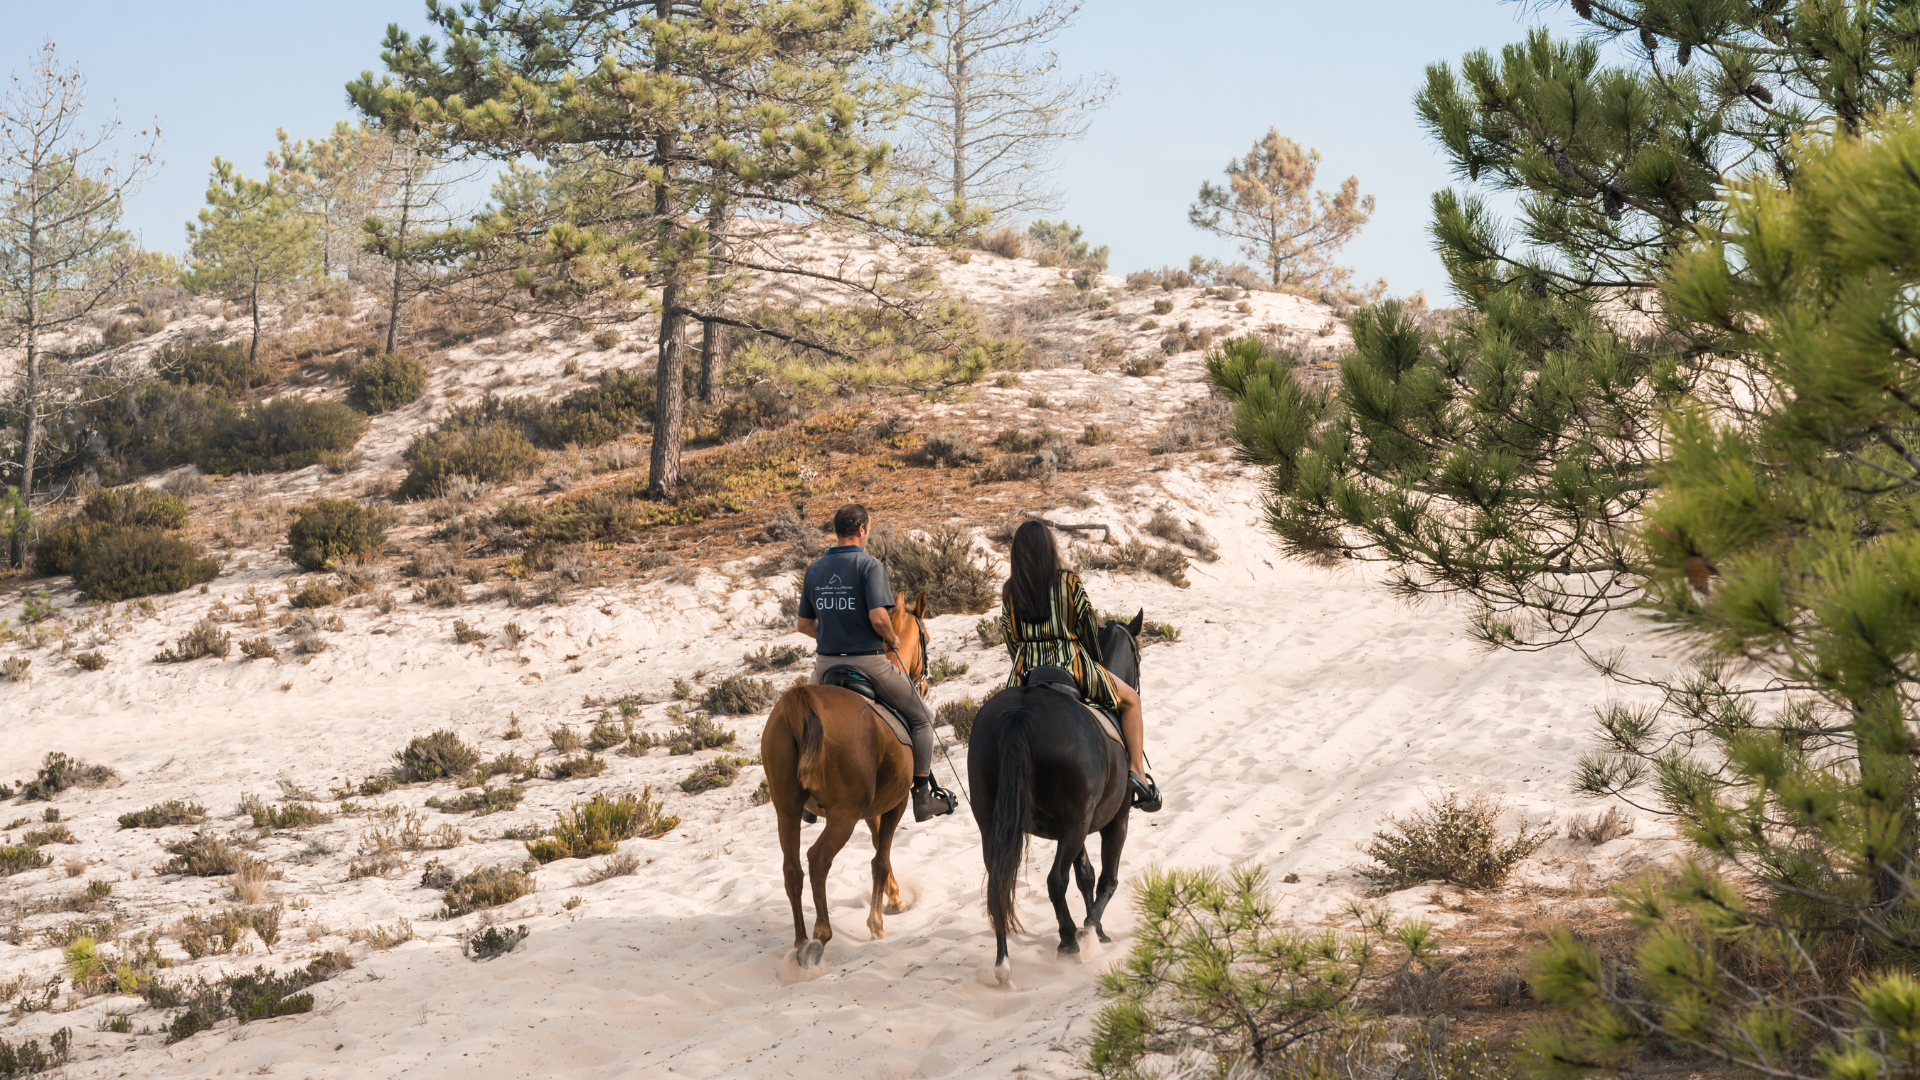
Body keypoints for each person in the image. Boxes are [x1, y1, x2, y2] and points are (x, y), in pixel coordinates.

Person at [797, 504, 958, 822]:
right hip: (869, 662)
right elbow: (878, 616)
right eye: (868, 529)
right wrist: (893, 638)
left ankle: (804, 796)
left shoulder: (815, 569)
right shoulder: (868, 566)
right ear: (861, 529)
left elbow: (803, 625)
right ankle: (923, 797)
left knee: (802, 725)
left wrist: (831, 636)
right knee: (923, 717)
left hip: (825, 665)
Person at [1000, 520, 1162, 811]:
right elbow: (1087, 626)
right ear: (1049, 548)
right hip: (1071, 665)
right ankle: (1138, 772)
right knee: (1131, 701)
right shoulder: (1068, 582)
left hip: (1025, 673)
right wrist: (1093, 660)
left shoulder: (1010, 591)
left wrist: (1023, 663)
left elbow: (1010, 640)